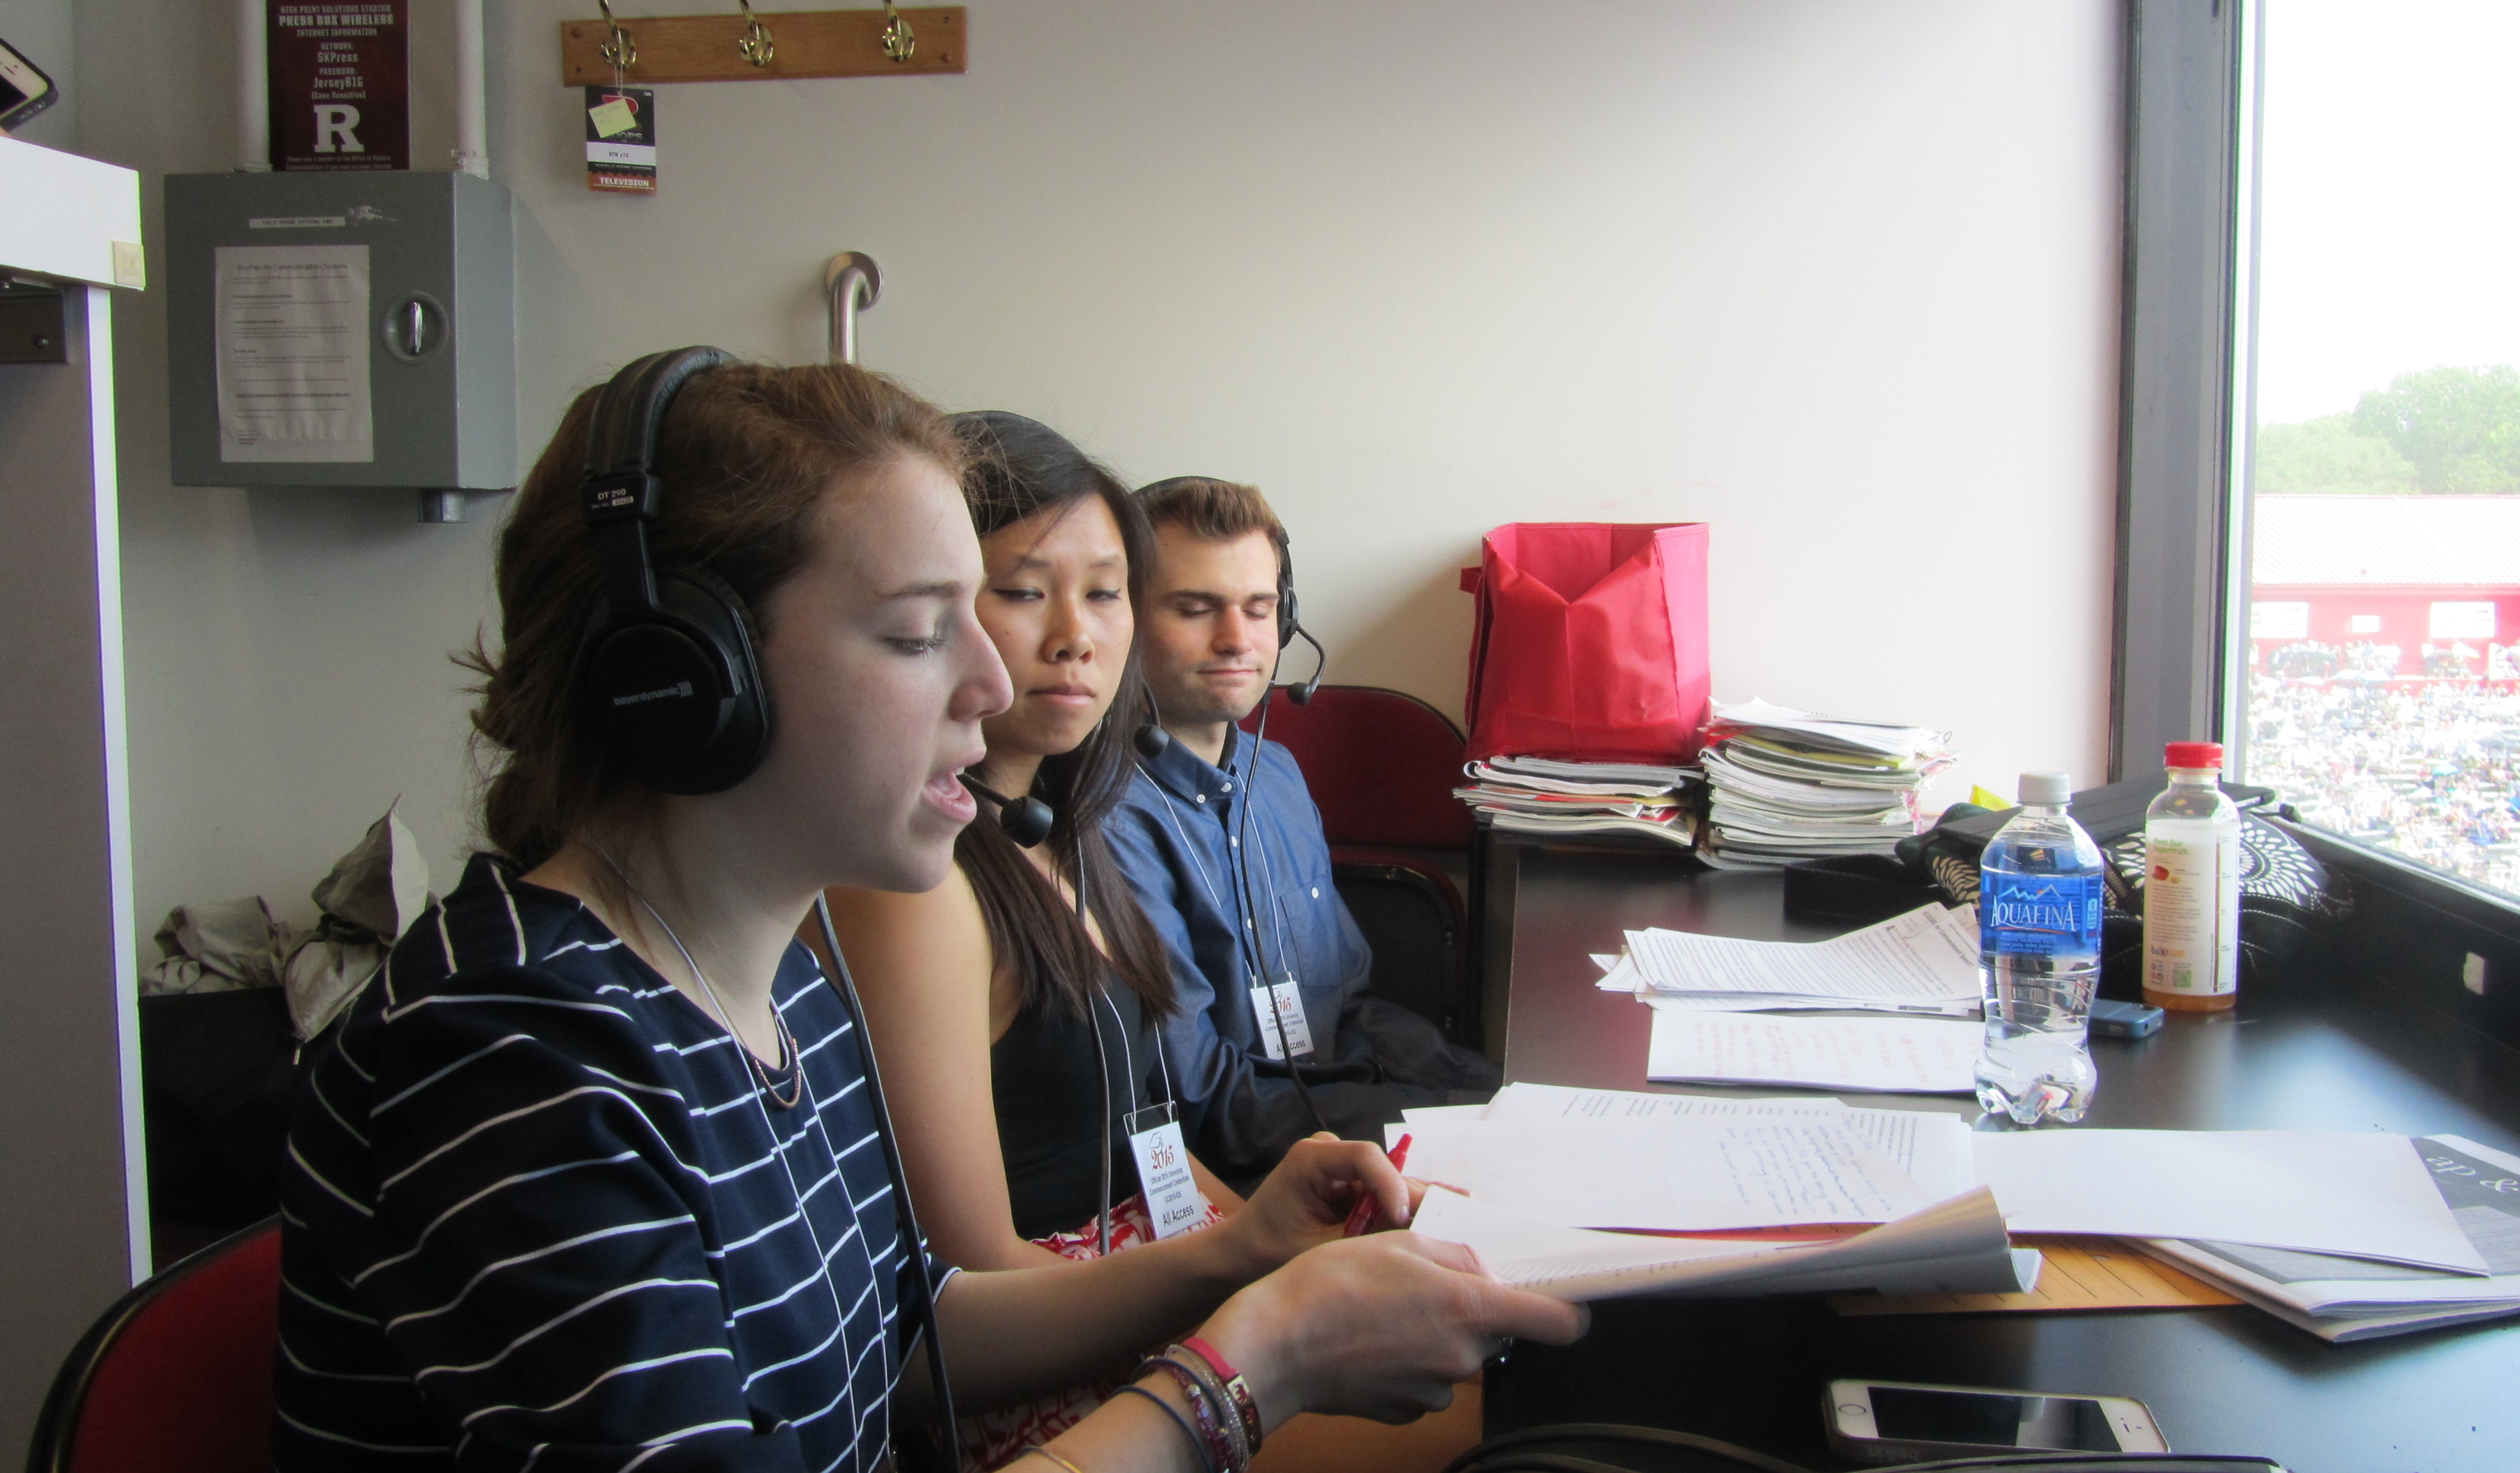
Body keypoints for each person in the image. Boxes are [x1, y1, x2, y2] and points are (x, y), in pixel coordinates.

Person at [271, 354, 1584, 1473]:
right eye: (916, 633)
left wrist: (1236, 1254)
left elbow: (912, 1333)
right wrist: (1251, 1370)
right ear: (684, 681)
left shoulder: (774, 983)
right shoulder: (515, 1055)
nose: (988, 677)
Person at [817, 413, 1245, 1463]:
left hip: (1150, 1288)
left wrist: (1270, 1234)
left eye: (1105, 592)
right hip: (1053, 1360)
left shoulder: (1061, 830)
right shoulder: (916, 887)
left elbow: (1145, 1139)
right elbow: (978, 1269)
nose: (1077, 634)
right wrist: (1237, 1311)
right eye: (1024, 590)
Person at [1105, 476, 1500, 1185]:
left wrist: (1493, 1093)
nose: (1236, 639)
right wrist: (1443, 1116)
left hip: (1348, 1121)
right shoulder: (1111, 824)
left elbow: (1350, 1006)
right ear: (1125, 620)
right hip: (1256, 1181)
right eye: (1196, 609)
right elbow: (1211, 1106)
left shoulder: (1277, 775)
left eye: (1258, 609)